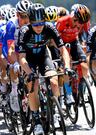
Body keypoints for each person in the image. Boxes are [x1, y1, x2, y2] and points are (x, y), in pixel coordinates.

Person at [17, 3, 73, 134]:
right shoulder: (24, 31)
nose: (39, 27)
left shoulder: (50, 28)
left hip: (43, 56)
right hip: (29, 60)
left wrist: (68, 66)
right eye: (35, 24)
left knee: (54, 82)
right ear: (30, 22)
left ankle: (54, 111)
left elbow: (62, 49)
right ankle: (36, 120)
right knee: (33, 84)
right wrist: (29, 73)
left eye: (41, 23)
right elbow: (21, 58)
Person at [56, 4, 91, 104]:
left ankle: (83, 86)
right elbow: (54, 37)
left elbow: (86, 36)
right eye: (78, 21)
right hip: (61, 43)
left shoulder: (84, 22)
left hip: (74, 42)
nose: (80, 25)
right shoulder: (62, 21)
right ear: (74, 17)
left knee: (84, 64)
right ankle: (68, 93)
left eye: (82, 23)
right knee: (66, 66)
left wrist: (85, 45)